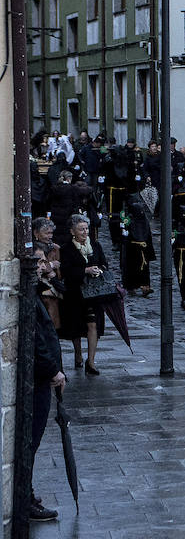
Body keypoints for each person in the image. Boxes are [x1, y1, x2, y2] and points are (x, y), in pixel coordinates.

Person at [28, 300, 65, 522]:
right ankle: (24, 498)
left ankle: (26, 492)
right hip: (39, 378)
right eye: (40, 262)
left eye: (43, 261)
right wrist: (53, 370)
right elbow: (36, 338)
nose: (42, 266)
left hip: (41, 376)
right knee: (30, 441)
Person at [58, 214, 108, 375]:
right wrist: (85, 270)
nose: (85, 232)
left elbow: (104, 264)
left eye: (86, 228)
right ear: (73, 231)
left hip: (94, 293)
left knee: (93, 324)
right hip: (75, 293)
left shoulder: (95, 245)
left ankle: (91, 361)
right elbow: (65, 271)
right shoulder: (66, 249)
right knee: (76, 326)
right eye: (81, 229)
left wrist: (99, 270)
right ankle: (78, 353)